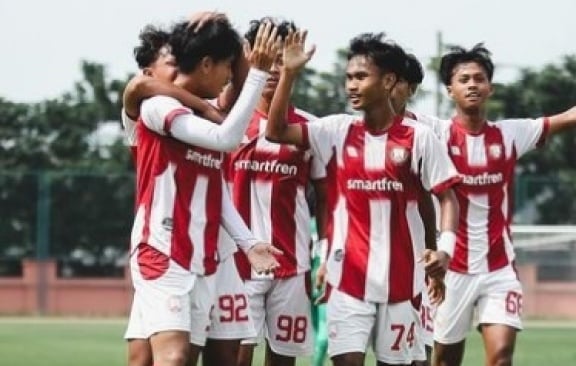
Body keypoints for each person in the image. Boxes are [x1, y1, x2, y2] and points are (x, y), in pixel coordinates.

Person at [430, 43, 576, 366]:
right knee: (446, 361)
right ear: (450, 90)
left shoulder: (511, 134)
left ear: (490, 87)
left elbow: (571, 117)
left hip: (499, 268)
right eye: (463, 79)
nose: (472, 84)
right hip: (451, 271)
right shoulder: (434, 133)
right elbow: (390, 113)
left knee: (501, 357)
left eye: (479, 78)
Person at [265, 30, 461, 366]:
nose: (352, 85)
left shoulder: (420, 138)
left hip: (402, 282)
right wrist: (289, 74)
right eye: (348, 78)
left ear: (387, 81)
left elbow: (447, 198)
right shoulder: (336, 131)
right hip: (347, 280)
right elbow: (276, 131)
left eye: (361, 77)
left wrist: (444, 251)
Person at [125, 17, 283, 366]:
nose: (230, 75)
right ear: (206, 63)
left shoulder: (206, 116)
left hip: (210, 254)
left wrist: (248, 242)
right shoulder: (158, 108)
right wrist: (257, 72)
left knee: (219, 355)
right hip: (164, 249)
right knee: (172, 357)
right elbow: (225, 139)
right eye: (225, 65)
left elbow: (214, 192)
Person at [222, 17, 321, 366]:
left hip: (291, 263)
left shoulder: (309, 129)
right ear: (249, 56)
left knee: (282, 360)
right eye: (270, 58)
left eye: (285, 59)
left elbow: (324, 196)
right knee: (236, 356)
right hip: (236, 263)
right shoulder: (225, 123)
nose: (277, 68)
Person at [389, 53, 439, 366]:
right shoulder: (349, 130)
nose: (388, 86)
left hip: (419, 261)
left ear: (411, 89)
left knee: (422, 349)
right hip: (366, 260)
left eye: (398, 81)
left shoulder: (430, 131)